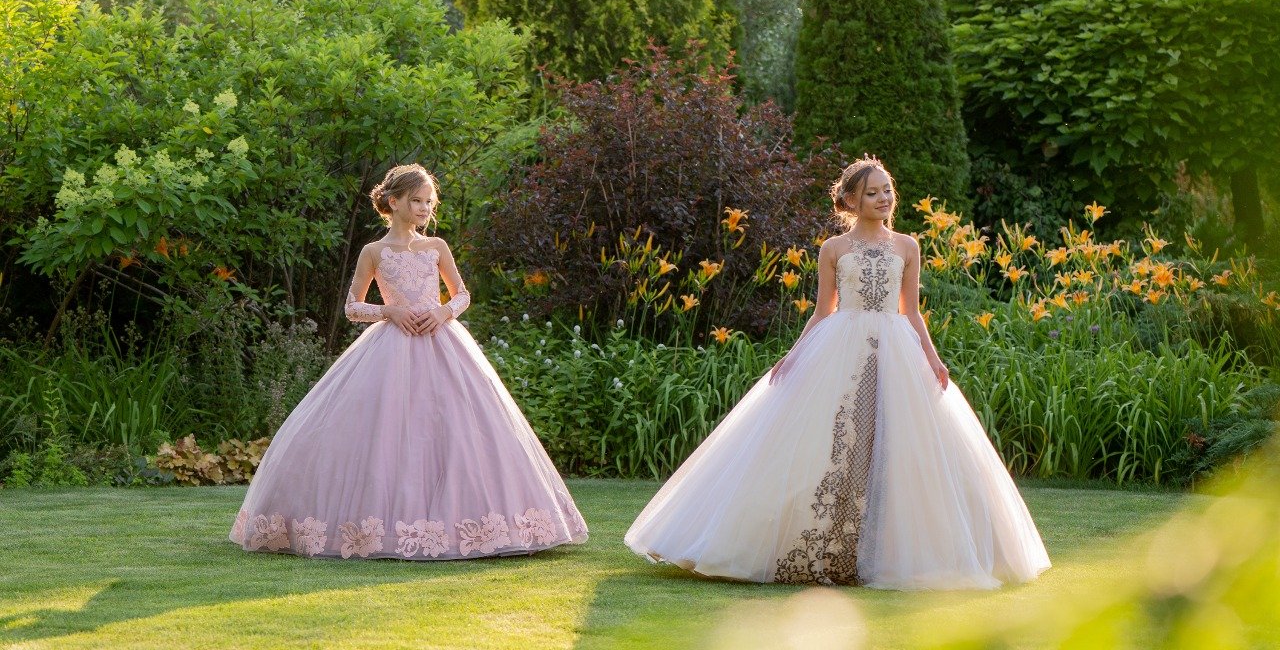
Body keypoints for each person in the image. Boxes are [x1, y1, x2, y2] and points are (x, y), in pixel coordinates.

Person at [625, 156, 1050, 589]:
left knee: (897, 441)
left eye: (887, 190)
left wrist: (933, 359)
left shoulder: (907, 246)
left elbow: (913, 312)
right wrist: (794, 355)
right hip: (840, 346)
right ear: (850, 200)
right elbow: (822, 311)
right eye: (872, 192)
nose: (883, 198)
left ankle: (879, 547)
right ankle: (820, 544)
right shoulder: (834, 249)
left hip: (896, 348)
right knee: (831, 436)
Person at [230, 163, 587, 560]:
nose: (423, 208)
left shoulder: (436, 247)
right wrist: (391, 312)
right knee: (387, 433)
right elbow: (352, 307)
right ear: (393, 202)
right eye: (415, 200)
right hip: (391, 348)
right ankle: (370, 528)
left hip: (442, 343)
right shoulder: (374, 252)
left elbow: (462, 295)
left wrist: (442, 313)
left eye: (428, 202)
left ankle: (481, 525)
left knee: (459, 430)